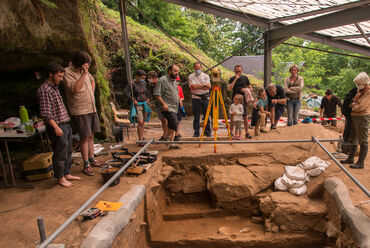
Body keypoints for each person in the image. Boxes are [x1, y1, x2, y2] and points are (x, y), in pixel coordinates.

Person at [37, 62, 81, 187]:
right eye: (59, 76)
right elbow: (46, 114)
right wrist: (56, 127)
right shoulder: (44, 90)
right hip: (57, 125)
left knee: (68, 152)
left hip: (65, 123)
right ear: (51, 74)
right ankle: (60, 177)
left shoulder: (54, 88)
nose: (61, 79)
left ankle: (66, 173)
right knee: (60, 153)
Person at [63, 51, 103, 177]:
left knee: (91, 136)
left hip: (91, 108)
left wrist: (90, 93)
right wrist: (84, 73)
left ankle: (92, 159)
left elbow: (92, 80)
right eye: (85, 66)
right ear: (78, 64)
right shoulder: (67, 72)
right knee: (84, 137)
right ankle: (86, 164)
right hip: (80, 110)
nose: (86, 68)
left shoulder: (84, 71)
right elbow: (75, 89)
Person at [341, 72, 370, 169]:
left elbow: (360, 107)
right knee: (353, 138)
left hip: (362, 117)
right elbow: (352, 102)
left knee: (363, 140)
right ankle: (351, 158)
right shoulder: (359, 91)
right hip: (354, 116)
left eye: (358, 84)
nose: (357, 86)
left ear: (364, 83)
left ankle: (360, 162)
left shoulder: (368, 92)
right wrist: (354, 103)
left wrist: (353, 104)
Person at [154, 64, 181, 149]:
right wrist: (164, 104)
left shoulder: (174, 81)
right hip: (167, 107)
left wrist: (179, 101)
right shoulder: (162, 80)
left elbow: (176, 93)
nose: (177, 73)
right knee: (174, 122)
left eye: (178, 71)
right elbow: (157, 94)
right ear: (170, 71)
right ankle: (168, 138)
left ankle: (171, 143)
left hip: (175, 107)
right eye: (175, 71)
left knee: (172, 125)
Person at [124, 70, 150, 146]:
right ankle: (140, 139)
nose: (142, 79)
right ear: (137, 76)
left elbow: (146, 91)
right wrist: (132, 99)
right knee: (140, 122)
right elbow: (125, 92)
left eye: (144, 78)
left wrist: (148, 98)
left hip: (144, 104)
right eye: (141, 78)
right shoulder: (131, 84)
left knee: (143, 122)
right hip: (137, 104)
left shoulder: (144, 83)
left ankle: (142, 137)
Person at [227, 65, 252, 139]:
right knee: (232, 116)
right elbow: (229, 88)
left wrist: (246, 90)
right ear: (234, 71)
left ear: (242, 71)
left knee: (245, 116)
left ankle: (247, 133)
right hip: (234, 99)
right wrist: (235, 79)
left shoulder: (245, 78)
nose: (238, 72)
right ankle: (231, 132)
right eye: (237, 71)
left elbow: (250, 87)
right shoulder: (232, 78)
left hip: (243, 99)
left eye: (239, 71)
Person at [188, 62, 211, 137]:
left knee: (207, 115)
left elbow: (208, 86)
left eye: (199, 68)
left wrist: (199, 86)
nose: (197, 70)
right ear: (194, 68)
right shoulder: (191, 76)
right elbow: (193, 87)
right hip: (195, 97)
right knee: (196, 115)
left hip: (205, 97)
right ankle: (196, 132)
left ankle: (207, 131)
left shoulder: (206, 76)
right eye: (196, 68)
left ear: (201, 68)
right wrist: (203, 85)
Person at [147, 70, 168, 141]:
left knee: (167, 119)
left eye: (150, 78)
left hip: (164, 103)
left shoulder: (162, 82)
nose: (149, 80)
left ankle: (168, 135)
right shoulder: (152, 85)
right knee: (162, 119)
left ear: (155, 77)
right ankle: (165, 134)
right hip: (158, 103)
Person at [341, 87, 358, 154]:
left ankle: (347, 150)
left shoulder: (349, 96)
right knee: (349, 133)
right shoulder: (350, 97)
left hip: (349, 116)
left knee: (348, 132)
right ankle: (346, 150)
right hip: (350, 116)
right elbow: (345, 106)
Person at [175, 76, 184, 141]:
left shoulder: (179, 88)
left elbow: (182, 97)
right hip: (173, 105)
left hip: (179, 105)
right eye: (176, 81)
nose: (177, 82)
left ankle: (177, 134)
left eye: (178, 81)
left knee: (179, 120)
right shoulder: (171, 88)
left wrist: (180, 100)